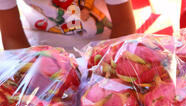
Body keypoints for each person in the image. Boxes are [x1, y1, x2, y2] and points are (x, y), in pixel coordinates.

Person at [0, 0, 136, 51]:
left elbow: (124, 24)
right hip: (40, 52)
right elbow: (12, 37)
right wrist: (30, 70)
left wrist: (105, 67)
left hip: (106, 46)